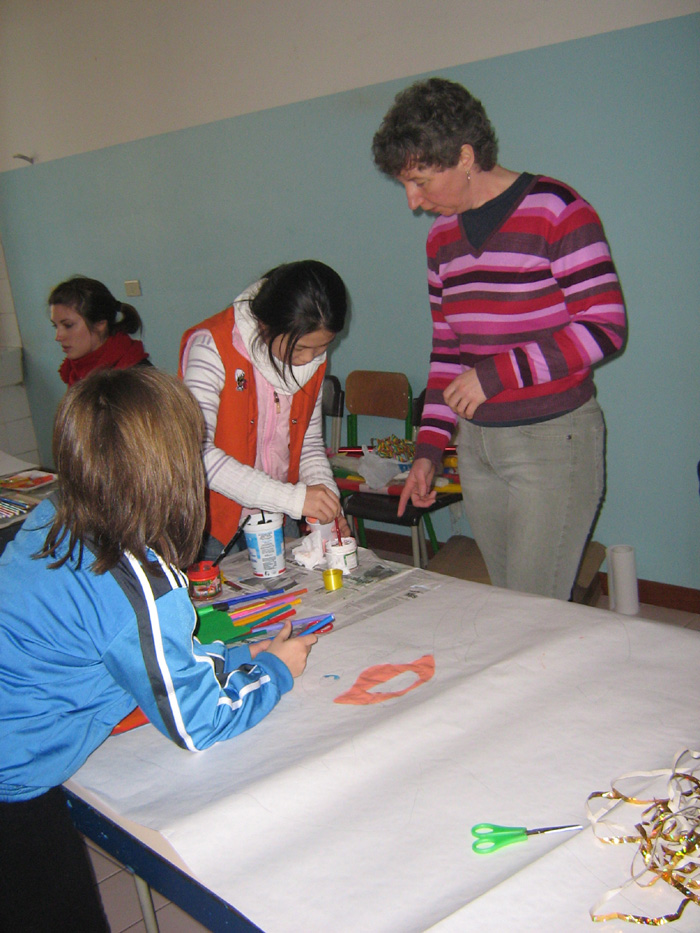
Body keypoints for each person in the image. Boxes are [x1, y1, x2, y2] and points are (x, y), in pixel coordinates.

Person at [0, 367, 316, 931]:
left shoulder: (52, 516)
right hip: (12, 782)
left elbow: (139, 658)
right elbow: (199, 724)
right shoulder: (139, 583)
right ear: (169, 471)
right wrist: (275, 669)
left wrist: (235, 657)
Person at [372, 77, 627, 600]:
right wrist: (428, 449)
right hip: (477, 447)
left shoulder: (557, 209)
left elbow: (605, 326)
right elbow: (447, 352)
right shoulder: (442, 239)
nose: (413, 202)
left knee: (533, 613)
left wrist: (495, 375)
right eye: (406, 185)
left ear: (465, 156)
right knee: (507, 607)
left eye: (420, 181)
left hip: (553, 441)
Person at [180, 259, 351, 559]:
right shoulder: (211, 346)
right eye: (299, 349)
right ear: (264, 325)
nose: (310, 359)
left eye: (323, 347)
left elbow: (308, 446)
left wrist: (325, 501)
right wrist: (296, 499)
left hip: (276, 517)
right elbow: (197, 455)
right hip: (212, 524)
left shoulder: (311, 360)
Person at [49, 274, 150, 385]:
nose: (58, 337)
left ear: (100, 324)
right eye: (55, 326)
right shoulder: (76, 371)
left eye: (68, 325)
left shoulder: (136, 378)